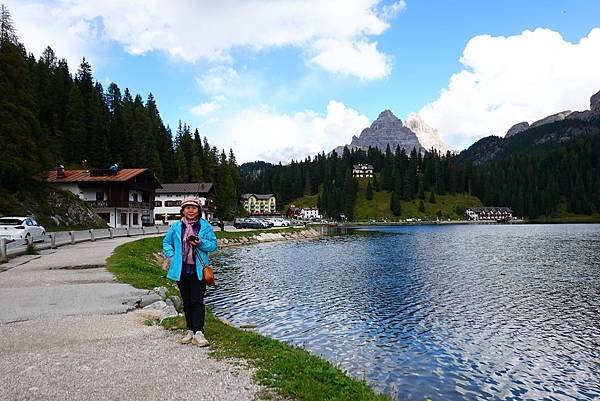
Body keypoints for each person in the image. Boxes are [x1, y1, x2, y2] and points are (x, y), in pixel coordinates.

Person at [163, 196, 217, 346]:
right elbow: (166, 243)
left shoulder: (205, 227)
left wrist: (201, 243)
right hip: (181, 270)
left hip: (198, 270)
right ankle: (190, 330)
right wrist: (172, 257)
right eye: (187, 208)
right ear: (183, 210)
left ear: (198, 210)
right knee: (187, 302)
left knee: (197, 301)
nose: (190, 210)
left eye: (194, 208)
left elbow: (213, 245)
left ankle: (199, 332)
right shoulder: (175, 227)